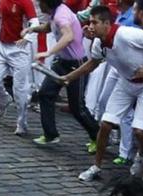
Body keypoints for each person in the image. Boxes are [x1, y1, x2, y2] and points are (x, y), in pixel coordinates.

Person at [59, 5, 143, 181]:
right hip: (125, 83)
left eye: (95, 22)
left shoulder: (127, 34)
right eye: (90, 22)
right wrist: (69, 77)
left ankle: (141, 156)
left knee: (139, 131)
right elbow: (92, 64)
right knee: (105, 125)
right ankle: (96, 166)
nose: (91, 26)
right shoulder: (98, 43)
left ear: (107, 23)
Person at [28, 0, 99, 146]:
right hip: (61, 62)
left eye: (40, 2)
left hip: (76, 64)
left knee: (77, 107)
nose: (39, 5)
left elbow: (68, 36)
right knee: (45, 94)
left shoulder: (61, 14)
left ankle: (98, 137)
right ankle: (50, 134)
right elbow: (48, 27)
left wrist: (48, 52)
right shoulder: (55, 12)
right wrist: (31, 30)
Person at [0, 0, 39, 135]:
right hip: (1, 46)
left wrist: (27, 38)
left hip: (19, 49)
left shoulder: (25, 2)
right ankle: (4, 100)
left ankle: (22, 123)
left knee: (20, 90)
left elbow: (35, 23)